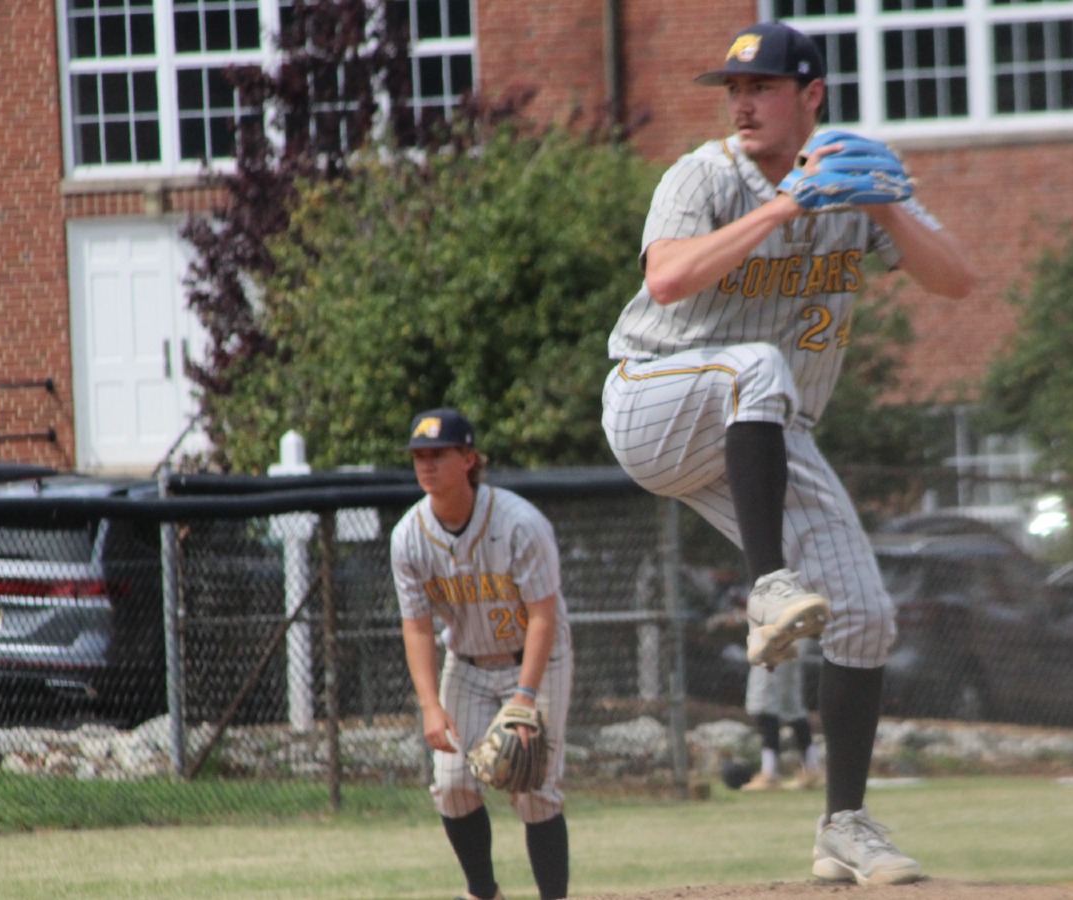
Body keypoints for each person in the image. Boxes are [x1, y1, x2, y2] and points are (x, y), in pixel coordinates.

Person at [600, 20, 975, 887]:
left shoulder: (852, 174)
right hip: (653, 400)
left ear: (811, 97)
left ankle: (843, 824)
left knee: (865, 613)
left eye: (762, 87)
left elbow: (955, 277)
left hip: (764, 430)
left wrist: (880, 201)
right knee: (759, 371)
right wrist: (783, 207)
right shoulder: (704, 175)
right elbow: (666, 279)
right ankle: (767, 586)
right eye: (734, 88)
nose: (742, 102)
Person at [391, 408, 574, 900]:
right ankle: (482, 892)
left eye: (438, 454)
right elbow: (418, 626)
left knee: (535, 791)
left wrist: (524, 698)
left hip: (538, 660)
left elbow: (543, 615)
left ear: (469, 459)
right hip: (467, 665)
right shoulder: (409, 536)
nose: (425, 465)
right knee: (451, 785)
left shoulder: (519, 523)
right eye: (418, 456)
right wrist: (430, 704)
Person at [740, 640, 822, 792]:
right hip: (792, 640)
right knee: (792, 706)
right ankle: (812, 768)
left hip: (771, 638)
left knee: (764, 704)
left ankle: (770, 773)